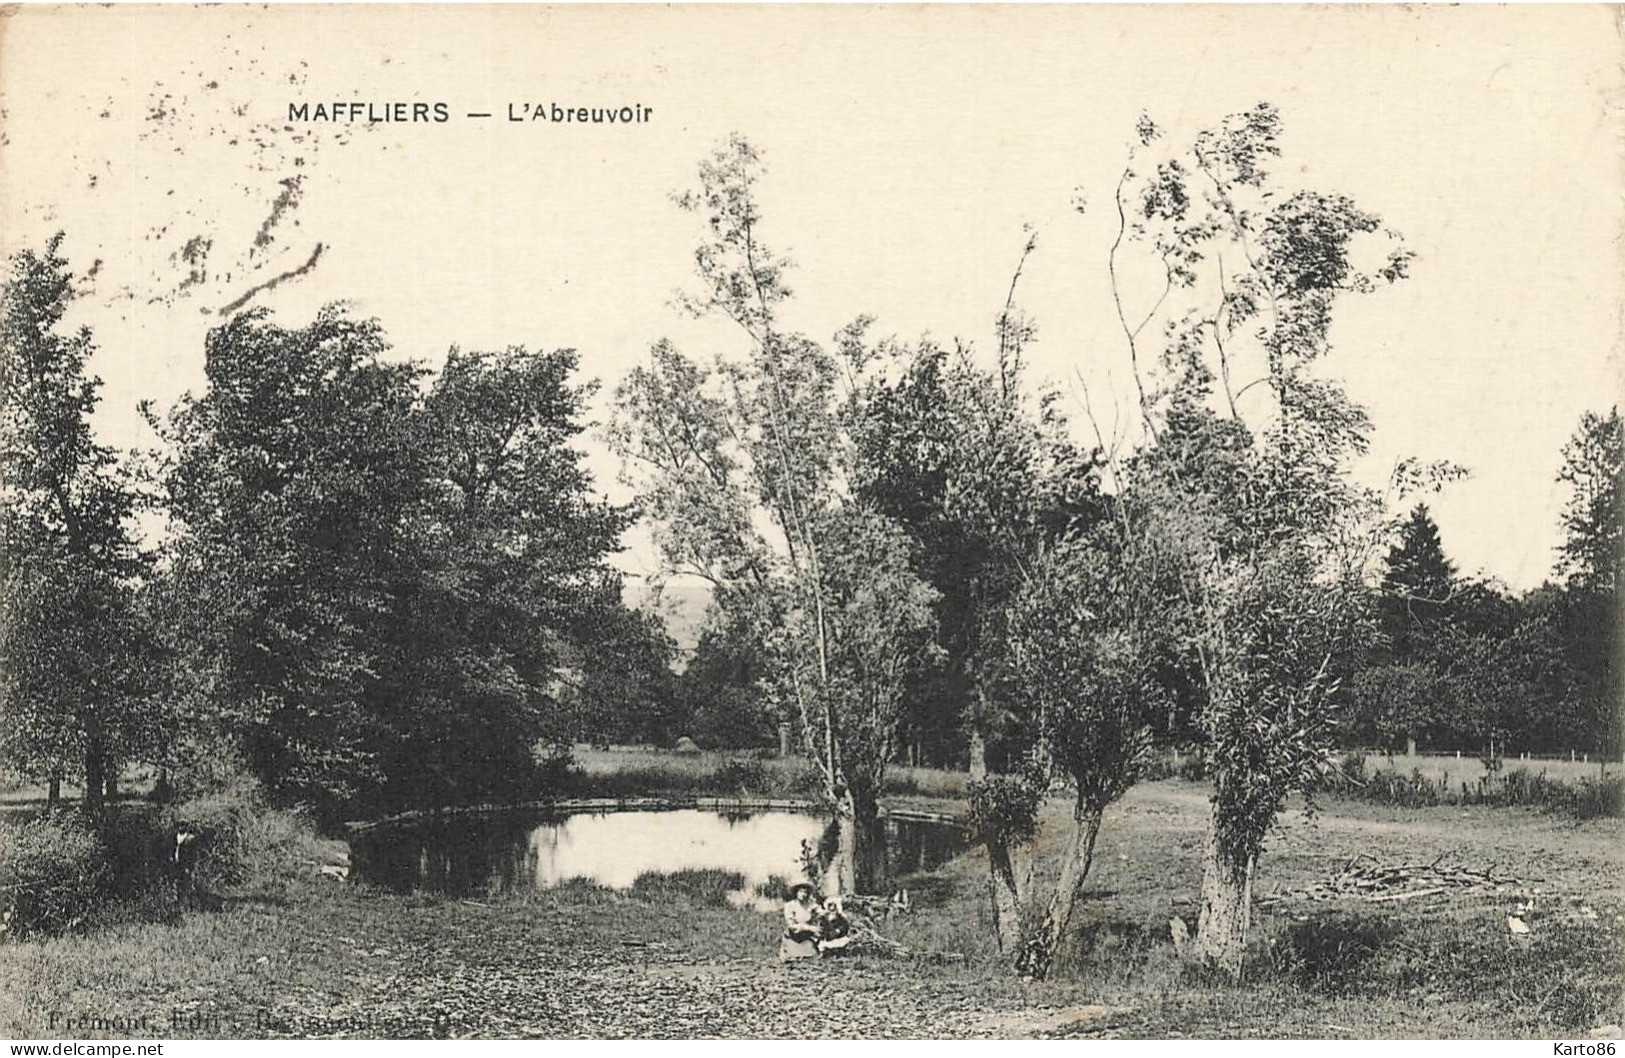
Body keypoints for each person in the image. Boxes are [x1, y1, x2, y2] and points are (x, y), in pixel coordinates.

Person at [779, 882, 821, 960]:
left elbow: (821, 913)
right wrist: (809, 928)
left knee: (811, 956)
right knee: (793, 957)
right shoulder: (790, 905)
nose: (803, 894)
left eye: (805, 892)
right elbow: (791, 925)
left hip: (806, 936)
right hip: (793, 936)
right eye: (801, 892)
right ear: (796, 893)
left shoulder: (811, 905)